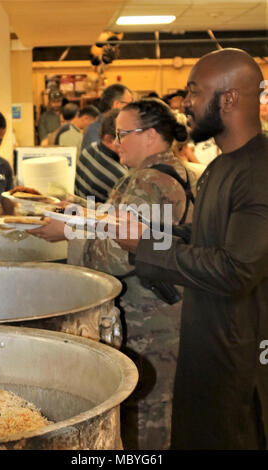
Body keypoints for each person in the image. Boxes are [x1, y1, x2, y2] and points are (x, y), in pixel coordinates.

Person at [114, 48, 268, 450]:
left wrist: (146, 245)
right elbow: (203, 239)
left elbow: (235, 269)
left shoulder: (259, 172)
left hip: (239, 353)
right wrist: (145, 235)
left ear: (229, 99)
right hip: (205, 340)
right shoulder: (222, 165)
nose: (185, 105)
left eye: (194, 93)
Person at [29, 99, 196, 450]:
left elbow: (120, 253)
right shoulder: (171, 173)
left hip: (149, 325)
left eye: (122, 134)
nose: (115, 142)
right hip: (162, 318)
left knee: (146, 420)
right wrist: (79, 211)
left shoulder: (150, 182)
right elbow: (122, 222)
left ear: (150, 135)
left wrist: (67, 235)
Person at [74, 109, 128, 203]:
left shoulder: (89, 150)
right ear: (109, 140)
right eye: (124, 137)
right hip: (94, 216)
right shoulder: (119, 176)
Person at [80, 83, 133, 152]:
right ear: (117, 104)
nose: (132, 109)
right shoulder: (95, 131)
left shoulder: (116, 128)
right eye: (130, 105)